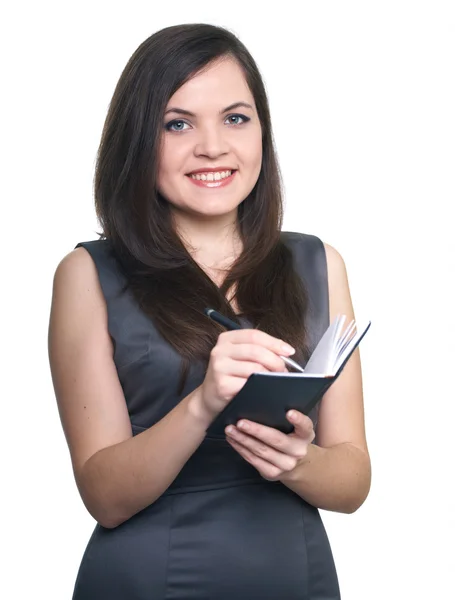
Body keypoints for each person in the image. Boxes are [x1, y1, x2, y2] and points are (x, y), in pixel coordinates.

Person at [48, 23, 371, 600]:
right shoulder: (88, 274)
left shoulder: (319, 263)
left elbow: (352, 481)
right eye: (177, 124)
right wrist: (202, 404)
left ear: (262, 132)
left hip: (296, 576)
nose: (213, 146)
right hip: (148, 578)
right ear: (137, 140)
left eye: (236, 118)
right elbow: (104, 496)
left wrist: (297, 462)